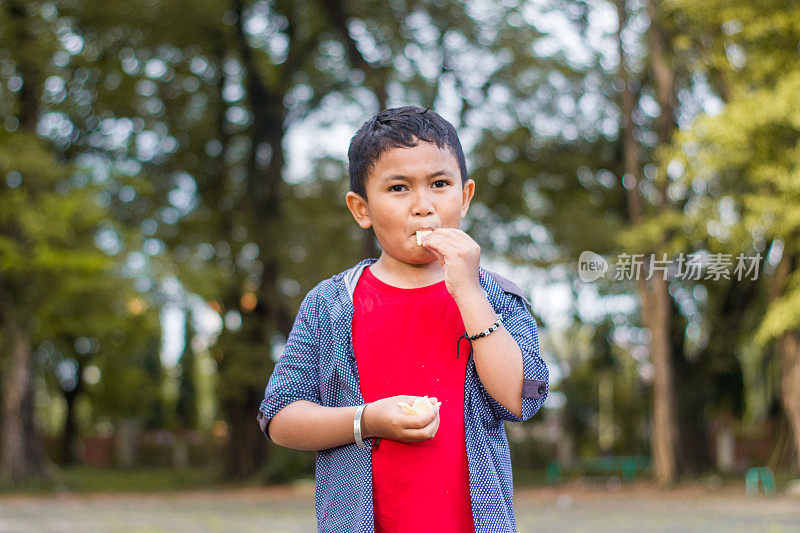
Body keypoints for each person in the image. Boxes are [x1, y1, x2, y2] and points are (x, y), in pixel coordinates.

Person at [257, 106, 549, 533]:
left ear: (465, 197)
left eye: (440, 184)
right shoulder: (330, 304)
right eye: (398, 188)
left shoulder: (496, 296)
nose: (423, 207)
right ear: (362, 209)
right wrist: (367, 420)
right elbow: (280, 417)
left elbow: (518, 397)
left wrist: (468, 292)